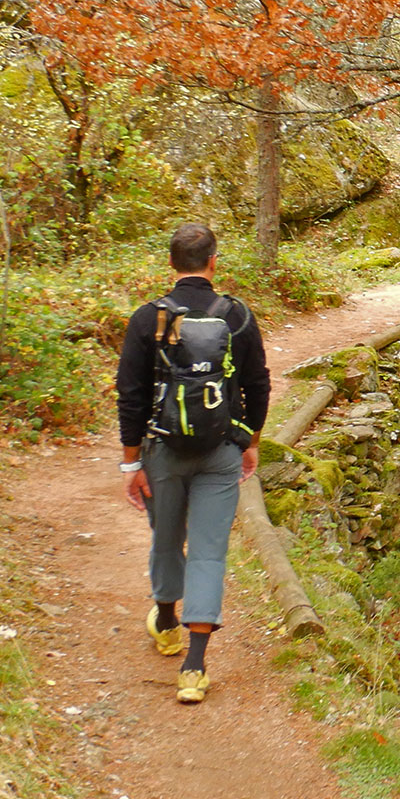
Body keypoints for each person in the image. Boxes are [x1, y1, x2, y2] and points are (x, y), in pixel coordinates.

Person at [115, 223, 270, 704]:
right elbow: (258, 385)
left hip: (162, 451)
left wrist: (130, 463)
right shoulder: (237, 316)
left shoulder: (148, 318)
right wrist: (248, 440)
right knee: (208, 551)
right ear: (213, 262)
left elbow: (132, 394)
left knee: (167, 537)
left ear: (171, 264)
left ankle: (165, 621)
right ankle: (194, 667)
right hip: (220, 452)